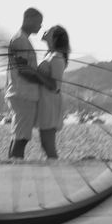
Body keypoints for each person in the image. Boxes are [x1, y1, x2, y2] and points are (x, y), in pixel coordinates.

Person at [5, 7, 43, 159]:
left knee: (18, 135)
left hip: (20, 92)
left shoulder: (22, 39)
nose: (40, 27)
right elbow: (23, 69)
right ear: (29, 20)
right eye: (38, 23)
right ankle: (16, 168)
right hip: (23, 93)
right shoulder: (20, 40)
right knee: (22, 137)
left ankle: (12, 165)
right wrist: (44, 80)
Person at [36, 25, 70, 159]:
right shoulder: (50, 55)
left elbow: (55, 85)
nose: (45, 30)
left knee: (47, 144)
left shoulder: (56, 57)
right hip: (45, 101)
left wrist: (33, 72)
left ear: (55, 38)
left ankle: (57, 170)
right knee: (45, 144)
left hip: (50, 102)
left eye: (49, 30)